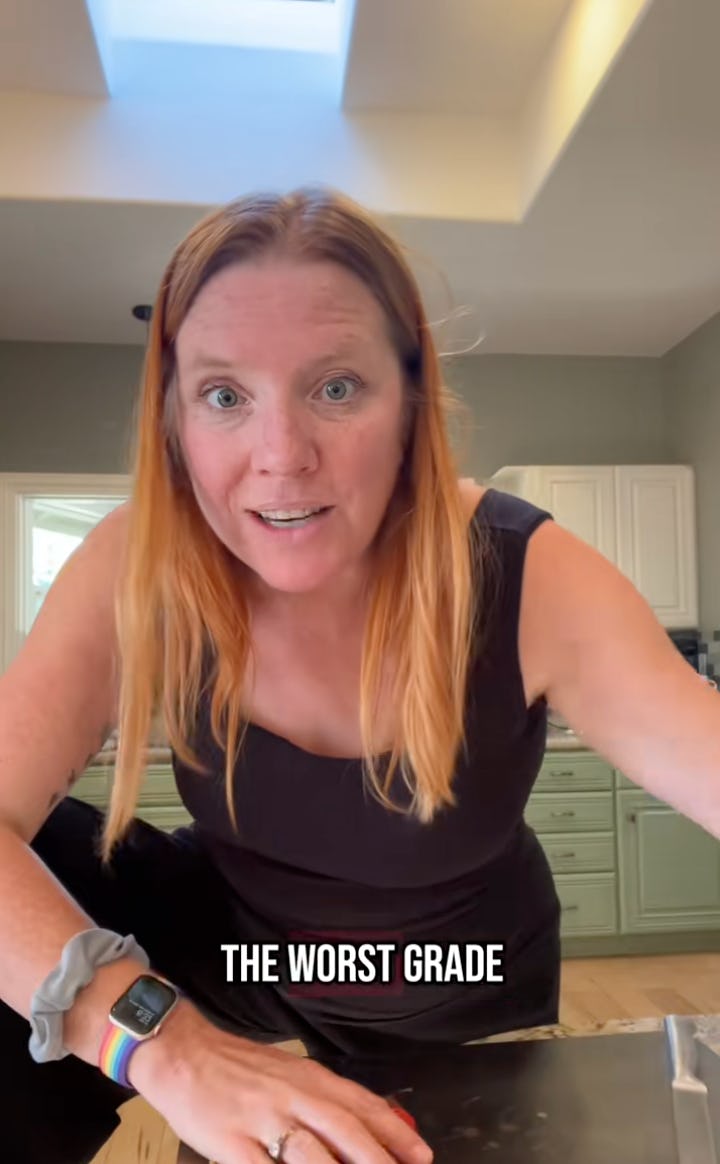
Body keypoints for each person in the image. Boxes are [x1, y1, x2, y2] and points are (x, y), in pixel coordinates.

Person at [1, 187, 718, 1164]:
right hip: (241, 961)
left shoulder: (525, 573)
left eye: (336, 388)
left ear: (411, 404)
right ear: (175, 418)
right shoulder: (139, 565)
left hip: (456, 980)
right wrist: (164, 1046)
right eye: (224, 396)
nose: (281, 458)